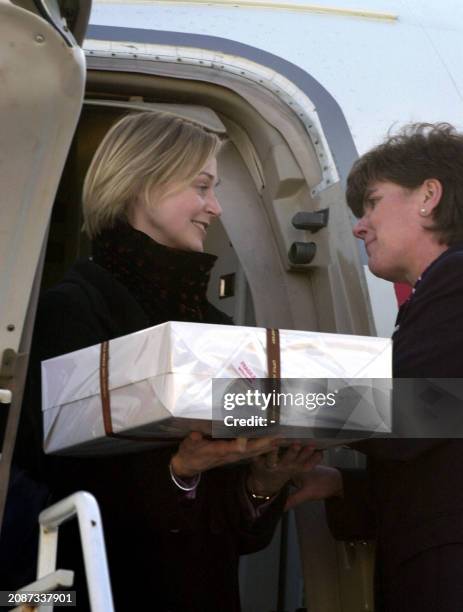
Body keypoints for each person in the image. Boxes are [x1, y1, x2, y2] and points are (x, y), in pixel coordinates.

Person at [2, 111, 320, 611]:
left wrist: (262, 484)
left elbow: (236, 539)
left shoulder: (217, 327)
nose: (214, 207)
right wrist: (177, 470)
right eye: (202, 186)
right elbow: (50, 486)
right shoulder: (71, 309)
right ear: (142, 182)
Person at [287, 123, 463, 612]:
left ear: (429, 195)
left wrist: (255, 403)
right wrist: (340, 484)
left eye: (372, 202)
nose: (360, 225)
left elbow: (419, 412)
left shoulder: (456, 278)